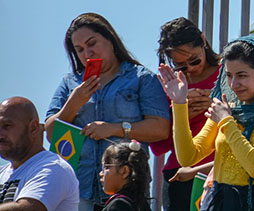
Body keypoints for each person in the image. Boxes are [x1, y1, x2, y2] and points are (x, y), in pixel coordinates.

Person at [158, 35, 254, 211]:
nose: (233, 84)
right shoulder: (227, 108)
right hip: (217, 200)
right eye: (229, 75)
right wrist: (179, 103)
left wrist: (226, 122)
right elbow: (187, 157)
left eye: (242, 75)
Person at [45, 13, 170, 210]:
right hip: (79, 189)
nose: (87, 53)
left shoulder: (141, 78)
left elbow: (160, 129)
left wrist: (114, 129)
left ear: (110, 40)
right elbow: (51, 133)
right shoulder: (70, 83)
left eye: (92, 43)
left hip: (127, 191)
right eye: (79, 49)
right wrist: (73, 103)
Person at [151, 17, 221, 211]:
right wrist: (180, 112)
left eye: (194, 60)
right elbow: (158, 146)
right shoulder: (171, 85)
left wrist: (218, 105)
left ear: (203, 41)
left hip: (220, 170)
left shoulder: (229, 73)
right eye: (181, 66)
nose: (191, 69)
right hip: (179, 174)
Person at [0, 96, 78, 211]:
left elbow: (28, 209)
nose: (1, 134)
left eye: (7, 126)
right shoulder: (2, 172)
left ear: (33, 128)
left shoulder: (54, 167)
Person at [99, 141, 152, 211]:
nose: (101, 173)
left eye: (106, 167)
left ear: (124, 171)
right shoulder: (142, 204)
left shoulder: (119, 205)